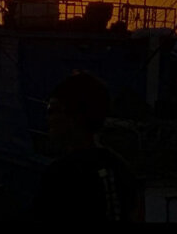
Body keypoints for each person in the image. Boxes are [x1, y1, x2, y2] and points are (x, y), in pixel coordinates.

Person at [33, 71, 143, 222]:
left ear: (75, 117)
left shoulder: (60, 174)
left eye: (53, 111)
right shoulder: (120, 169)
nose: (48, 119)